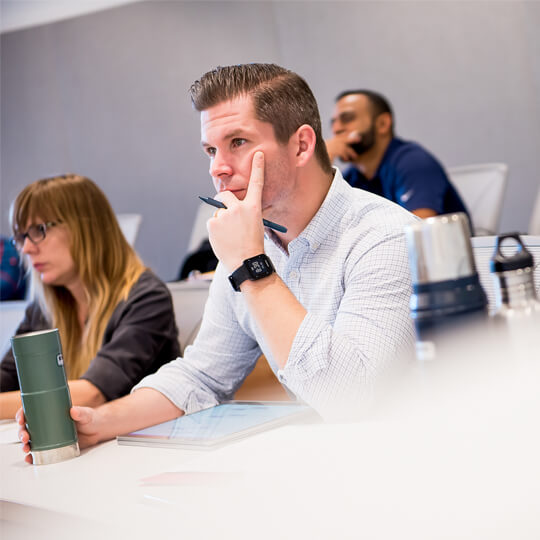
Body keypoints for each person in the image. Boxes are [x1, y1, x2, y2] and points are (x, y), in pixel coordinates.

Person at [18, 64, 417, 460]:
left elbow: (351, 400)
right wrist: (98, 421)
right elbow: (202, 376)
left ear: (301, 145)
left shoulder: (383, 237)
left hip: (409, 463)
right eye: (211, 150)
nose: (217, 168)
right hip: (331, 463)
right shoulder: (248, 246)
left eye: (238, 142)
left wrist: (253, 268)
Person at [1, 174, 180, 419]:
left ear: (86, 228)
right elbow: (8, 377)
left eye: (39, 230)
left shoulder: (147, 298)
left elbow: (93, 393)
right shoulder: (43, 309)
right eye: (21, 237)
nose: (27, 248)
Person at [326, 90, 471, 223]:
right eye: (333, 123)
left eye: (347, 118)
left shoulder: (413, 162)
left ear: (383, 124)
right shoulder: (352, 177)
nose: (336, 129)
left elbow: (419, 230)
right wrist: (324, 162)